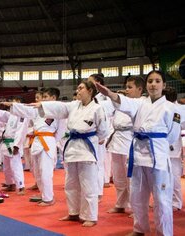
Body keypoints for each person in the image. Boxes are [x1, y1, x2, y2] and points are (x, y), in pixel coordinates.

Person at [95, 70, 180, 236]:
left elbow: (172, 135)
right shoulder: (140, 103)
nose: (153, 84)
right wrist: (110, 94)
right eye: (150, 81)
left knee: (162, 199)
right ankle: (139, 228)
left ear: (163, 85)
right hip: (139, 156)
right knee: (137, 196)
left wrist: (156, 141)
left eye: (157, 81)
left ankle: (164, 232)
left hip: (158, 157)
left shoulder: (171, 108)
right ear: (146, 85)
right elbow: (125, 102)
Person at [32, 81, 108, 226]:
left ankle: (90, 216)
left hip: (86, 148)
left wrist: (96, 139)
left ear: (90, 90)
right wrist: (43, 105)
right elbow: (60, 107)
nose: (78, 91)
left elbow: (103, 131)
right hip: (72, 148)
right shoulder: (74, 105)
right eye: (78, 88)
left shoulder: (97, 109)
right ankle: (74, 212)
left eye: (81, 88)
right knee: (70, 184)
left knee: (88, 184)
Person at [2, 88, 66, 206]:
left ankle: (48, 198)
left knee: (45, 171)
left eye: (46, 97)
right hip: (37, 142)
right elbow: (27, 110)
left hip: (47, 141)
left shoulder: (60, 110)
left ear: (53, 98)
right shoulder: (39, 110)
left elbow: (61, 130)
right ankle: (43, 194)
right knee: (37, 171)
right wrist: (13, 105)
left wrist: (52, 140)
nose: (43, 99)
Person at [106, 76, 145, 214]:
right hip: (117, 140)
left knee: (132, 178)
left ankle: (135, 208)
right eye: (126, 87)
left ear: (140, 89)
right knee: (118, 177)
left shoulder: (141, 103)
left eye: (130, 87)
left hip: (130, 141)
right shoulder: (121, 102)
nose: (127, 90)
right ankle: (120, 204)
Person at [0, 97, 29, 195]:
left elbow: (21, 131)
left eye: (15, 103)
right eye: (12, 103)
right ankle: (10, 184)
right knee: (6, 167)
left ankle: (21, 186)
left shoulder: (23, 115)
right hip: (6, 143)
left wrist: (17, 145)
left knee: (16, 166)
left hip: (13, 144)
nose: (12, 105)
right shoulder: (11, 114)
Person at [163, 86, 184, 211]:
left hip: (174, 148)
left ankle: (176, 202)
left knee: (174, 177)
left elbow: (178, 127)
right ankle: (165, 199)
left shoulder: (179, 110)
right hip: (161, 146)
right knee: (163, 177)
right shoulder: (163, 108)